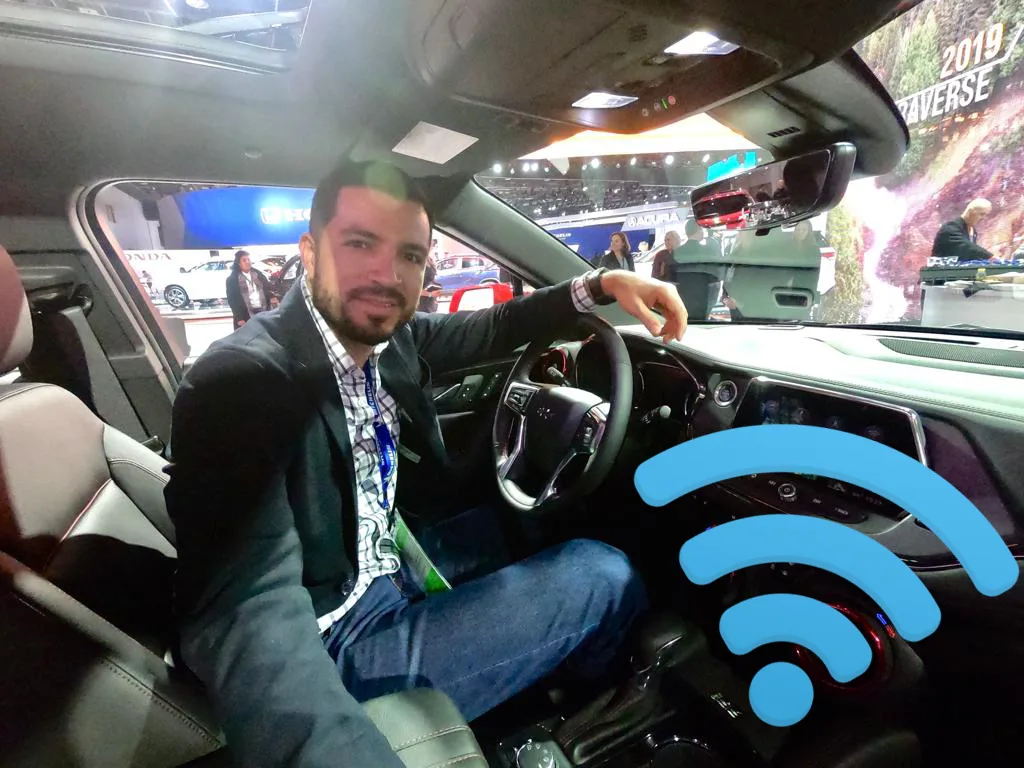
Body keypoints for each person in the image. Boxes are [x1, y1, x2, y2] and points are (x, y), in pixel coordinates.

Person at [165, 160, 688, 768]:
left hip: (381, 562)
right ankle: (581, 719)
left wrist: (602, 284)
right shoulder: (239, 385)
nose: (387, 274)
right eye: (360, 244)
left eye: (410, 255)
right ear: (309, 253)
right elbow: (248, 611)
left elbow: (496, 325)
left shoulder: (387, 338)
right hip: (331, 640)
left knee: (537, 522)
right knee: (603, 575)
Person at [931, 199, 996, 264]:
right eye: (982, 214)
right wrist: (989, 257)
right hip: (942, 269)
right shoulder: (950, 228)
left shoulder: (972, 231)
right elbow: (966, 246)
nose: (984, 218)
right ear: (970, 211)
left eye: (986, 215)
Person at [225, 249, 274, 328]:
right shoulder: (233, 280)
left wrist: (272, 297)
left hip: (263, 311)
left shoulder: (259, 275)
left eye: (248, 259)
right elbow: (232, 300)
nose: (247, 262)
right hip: (246, 315)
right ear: (238, 263)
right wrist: (239, 317)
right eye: (244, 260)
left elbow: (268, 289)